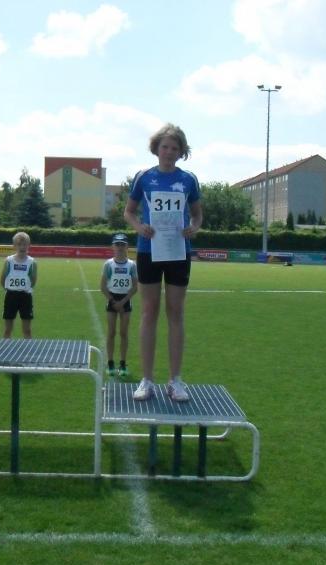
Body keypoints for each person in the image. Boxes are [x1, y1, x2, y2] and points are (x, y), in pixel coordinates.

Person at [123, 123, 202, 402]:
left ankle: (175, 380)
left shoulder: (189, 180)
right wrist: (139, 227)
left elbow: (197, 214)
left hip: (178, 251)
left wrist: (194, 227)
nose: (169, 152)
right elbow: (129, 212)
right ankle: (147, 380)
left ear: (182, 152)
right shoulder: (143, 177)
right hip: (149, 250)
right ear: (156, 148)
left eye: (174, 148)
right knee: (148, 312)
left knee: (176, 312)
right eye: (165, 147)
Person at [100, 233, 138, 378]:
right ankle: (110, 363)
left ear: (127, 247)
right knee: (111, 332)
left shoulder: (132, 265)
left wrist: (123, 302)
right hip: (112, 300)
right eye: (117, 244)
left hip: (125, 300)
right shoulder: (108, 264)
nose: (120, 247)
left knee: (123, 333)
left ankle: (123, 364)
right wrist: (113, 301)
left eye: (122, 245)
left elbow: (135, 287)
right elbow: (103, 286)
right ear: (113, 247)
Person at [0, 231, 37, 338]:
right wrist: (10, 288)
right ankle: (6, 348)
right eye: (19, 244)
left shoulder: (32, 262)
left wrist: (24, 288)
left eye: (25, 244)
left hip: (26, 297)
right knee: (8, 329)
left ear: (28, 245)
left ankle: (28, 348)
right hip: (11, 296)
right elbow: (2, 278)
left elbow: (33, 280)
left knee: (27, 330)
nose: (22, 247)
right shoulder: (9, 261)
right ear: (14, 246)